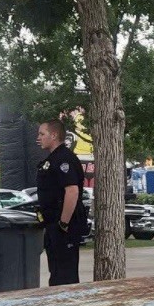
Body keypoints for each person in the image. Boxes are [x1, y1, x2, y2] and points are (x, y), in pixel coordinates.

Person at [36, 119, 88, 286]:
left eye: (42, 134)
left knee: (65, 275)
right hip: (53, 224)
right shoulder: (52, 159)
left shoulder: (64, 159)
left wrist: (63, 223)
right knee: (56, 272)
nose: (38, 138)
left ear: (54, 135)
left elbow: (72, 191)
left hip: (64, 226)